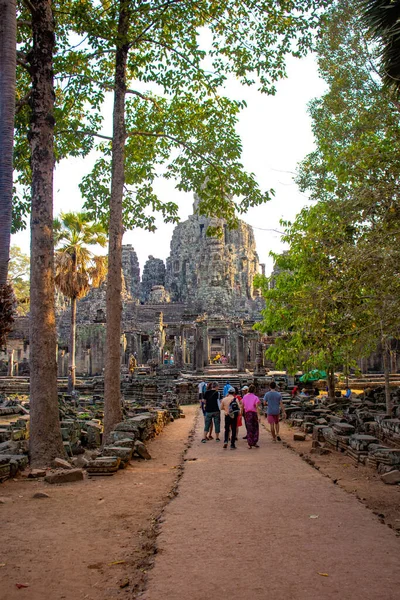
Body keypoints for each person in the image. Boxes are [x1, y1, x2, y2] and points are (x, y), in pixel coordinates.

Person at [242, 384, 261, 448]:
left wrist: (241, 413)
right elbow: (257, 407)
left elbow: (242, 406)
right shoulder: (256, 397)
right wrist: (259, 416)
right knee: (255, 428)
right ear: (254, 390)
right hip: (254, 414)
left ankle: (250, 443)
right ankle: (255, 442)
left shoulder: (244, 397)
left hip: (247, 414)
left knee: (249, 428)